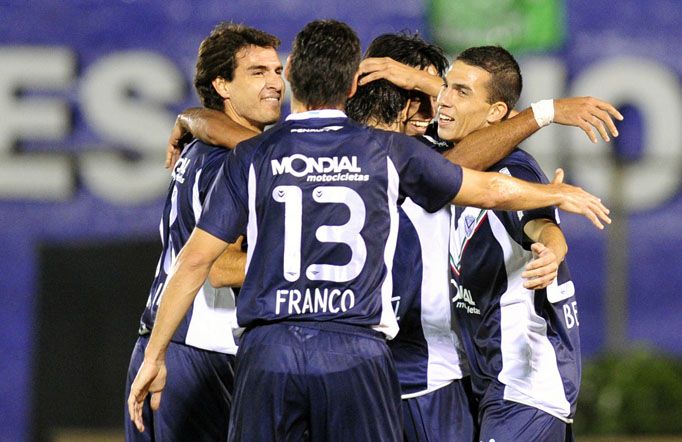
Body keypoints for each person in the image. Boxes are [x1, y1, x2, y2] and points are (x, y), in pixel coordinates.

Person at [128, 19, 610, 442]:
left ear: (293, 74)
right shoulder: (385, 153)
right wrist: (555, 192)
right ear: (352, 85)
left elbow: (194, 262)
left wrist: (155, 354)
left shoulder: (253, 153)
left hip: (271, 350)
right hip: (358, 354)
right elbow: (488, 189)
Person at [123, 22, 283, 441]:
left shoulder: (201, 147)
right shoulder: (232, 163)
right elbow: (222, 266)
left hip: (167, 345)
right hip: (202, 353)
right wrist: (301, 262)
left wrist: (191, 118)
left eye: (278, 71)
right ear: (222, 85)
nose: (275, 83)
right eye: (258, 72)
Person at [441, 46, 583, 441]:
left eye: (462, 92)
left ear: (496, 113)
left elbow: (540, 226)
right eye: (445, 87)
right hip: (499, 384)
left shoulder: (512, 170)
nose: (444, 100)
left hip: (525, 387)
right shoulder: (467, 162)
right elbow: (448, 167)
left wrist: (552, 252)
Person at [347, 32, 477, 442]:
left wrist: (423, 81)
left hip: (422, 373)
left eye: (434, 94)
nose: (432, 109)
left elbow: (499, 121)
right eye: (417, 94)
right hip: (380, 375)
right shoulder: (357, 151)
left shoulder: (440, 151)